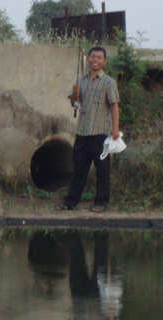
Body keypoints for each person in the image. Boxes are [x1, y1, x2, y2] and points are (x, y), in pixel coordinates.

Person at [57, 46, 120, 213]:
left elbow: (114, 106)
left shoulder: (109, 82)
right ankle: (71, 201)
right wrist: (74, 96)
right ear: (88, 59)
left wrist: (115, 129)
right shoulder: (81, 81)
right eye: (93, 57)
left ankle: (101, 202)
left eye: (99, 58)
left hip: (101, 133)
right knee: (79, 169)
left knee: (102, 169)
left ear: (104, 61)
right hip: (83, 132)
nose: (95, 60)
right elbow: (75, 105)